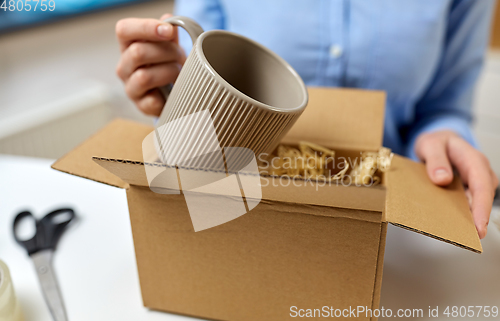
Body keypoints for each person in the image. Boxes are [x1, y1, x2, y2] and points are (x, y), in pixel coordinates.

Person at [114, 0, 498, 239]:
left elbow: (444, 107)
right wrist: (167, 86)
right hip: (233, 211)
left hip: (392, 221)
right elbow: (192, 66)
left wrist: (443, 134)